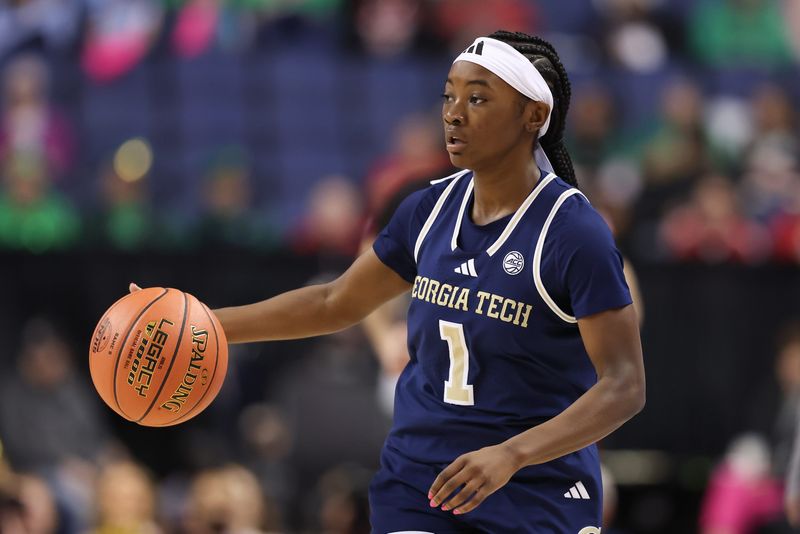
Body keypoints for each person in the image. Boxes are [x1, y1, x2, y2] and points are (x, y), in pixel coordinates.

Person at [132, 29, 645, 533]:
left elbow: (624, 386)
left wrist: (511, 454)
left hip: (536, 487)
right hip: (419, 481)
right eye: (448, 96)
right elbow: (334, 301)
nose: (454, 113)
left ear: (534, 115)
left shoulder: (573, 231)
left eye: (478, 98)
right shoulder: (426, 210)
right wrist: (200, 323)